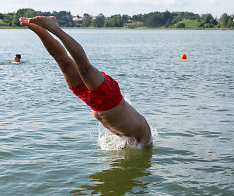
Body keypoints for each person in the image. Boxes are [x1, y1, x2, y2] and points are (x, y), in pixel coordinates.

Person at [19, 16, 152, 145]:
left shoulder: (127, 138)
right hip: (110, 99)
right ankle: (54, 27)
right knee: (84, 68)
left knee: (63, 62)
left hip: (92, 102)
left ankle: (38, 29)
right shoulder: (145, 137)